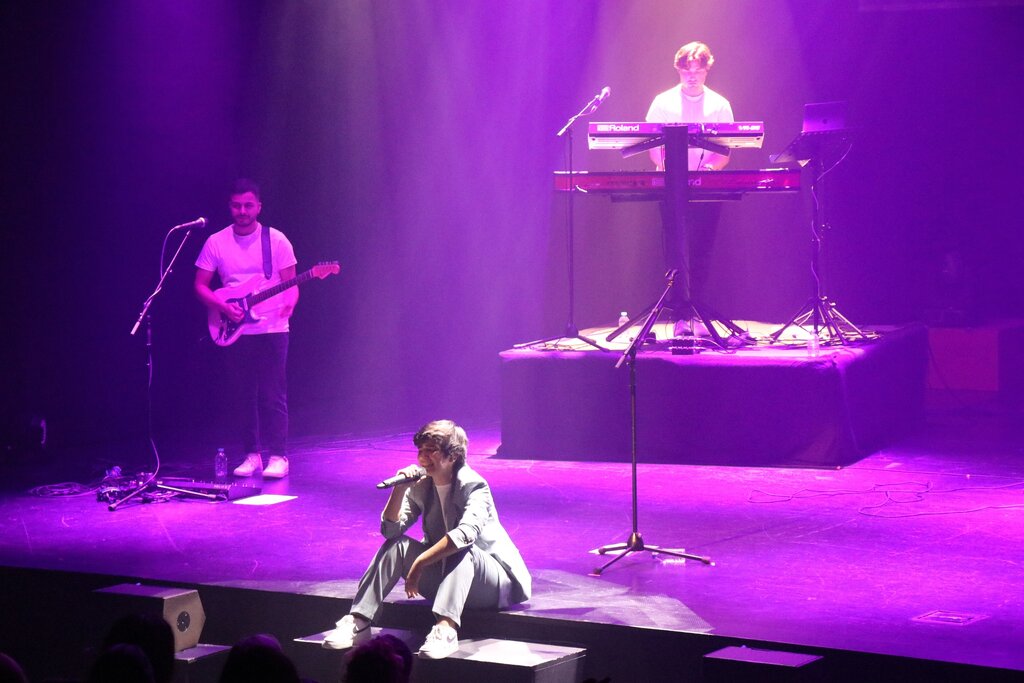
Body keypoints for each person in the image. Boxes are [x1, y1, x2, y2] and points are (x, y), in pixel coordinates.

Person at [322, 420, 531, 660]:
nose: (422, 457)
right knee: (396, 546)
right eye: (420, 450)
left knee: (462, 549)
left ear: (453, 455)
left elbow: (466, 534)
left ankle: (445, 629)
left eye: (431, 450)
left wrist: (420, 562)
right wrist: (400, 488)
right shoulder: (423, 485)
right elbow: (391, 531)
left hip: (491, 584)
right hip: (448, 577)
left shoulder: (474, 485)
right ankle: (359, 621)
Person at [195, 179, 298, 479]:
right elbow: (200, 286)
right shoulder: (216, 242)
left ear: (258, 207)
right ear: (230, 207)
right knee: (242, 395)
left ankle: (278, 455)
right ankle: (252, 455)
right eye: (237, 206)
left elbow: (291, 283)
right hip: (234, 329)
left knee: (273, 394)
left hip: (273, 328)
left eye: (248, 205)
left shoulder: (276, 240)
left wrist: (290, 303)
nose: (242, 211)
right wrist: (224, 307)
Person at [645, 42, 733, 334]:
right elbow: (653, 149)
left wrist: (707, 173)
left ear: (707, 70)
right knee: (675, 250)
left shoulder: (719, 104)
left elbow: (725, 150)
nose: (692, 76)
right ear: (678, 70)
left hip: (707, 187)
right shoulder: (662, 103)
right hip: (671, 187)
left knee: (702, 249)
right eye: (686, 70)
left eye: (697, 70)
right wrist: (671, 171)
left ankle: (697, 312)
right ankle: (680, 315)